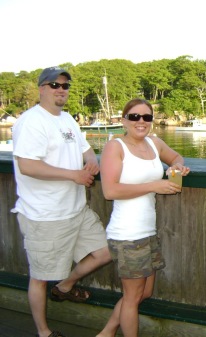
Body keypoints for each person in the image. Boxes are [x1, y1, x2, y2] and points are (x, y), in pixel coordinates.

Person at [11, 66, 112, 337]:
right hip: (45, 215)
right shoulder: (32, 121)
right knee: (40, 277)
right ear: (41, 88)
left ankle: (65, 286)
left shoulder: (67, 119)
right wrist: (74, 175)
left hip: (76, 209)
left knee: (106, 251)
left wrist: (91, 161)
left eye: (65, 86)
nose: (61, 90)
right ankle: (44, 332)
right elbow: (28, 166)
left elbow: (85, 149)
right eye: (55, 85)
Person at [97, 98, 190, 337]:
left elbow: (177, 157)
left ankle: (107, 332)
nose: (141, 122)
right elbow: (110, 191)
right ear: (124, 120)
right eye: (135, 116)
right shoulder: (115, 147)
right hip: (127, 234)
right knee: (132, 297)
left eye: (147, 117)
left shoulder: (154, 143)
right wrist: (153, 185)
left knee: (144, 293)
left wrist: (176, 168)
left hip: (147, 232)